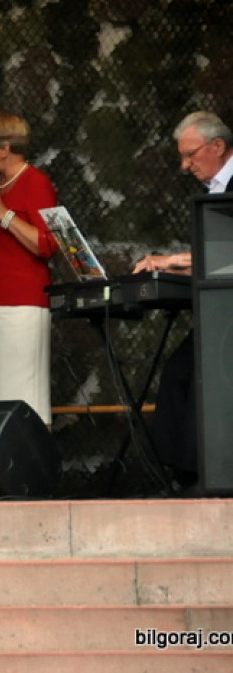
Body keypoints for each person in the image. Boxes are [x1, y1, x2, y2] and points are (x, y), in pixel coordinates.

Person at [133, 110, 233, 488]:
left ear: (218, 146)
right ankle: (188, 475)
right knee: (180, 372)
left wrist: (172, 260)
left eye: (191, 154)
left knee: (195, 374)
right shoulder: (215, 189)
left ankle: (201, 477)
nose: (184, 164)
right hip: (221, 306)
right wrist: (170, 273)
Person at [0, 112, 59, 426]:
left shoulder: (36, 182)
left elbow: (48, 244)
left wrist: (3, 214)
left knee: (23, 395)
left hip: (22, 303)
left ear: (5, 147)